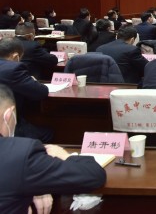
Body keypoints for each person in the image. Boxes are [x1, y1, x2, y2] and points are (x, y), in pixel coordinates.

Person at [0, 84, 107, 214]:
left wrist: (31, 187)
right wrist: (66, 156)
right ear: (8, 114)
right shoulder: (21, 154)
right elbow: (94, 175)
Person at [0, 38, 53, 142]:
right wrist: (33, 81)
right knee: (48, 133)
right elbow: (41, 92)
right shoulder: (13, 69)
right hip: (7, 123)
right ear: (16, 56)